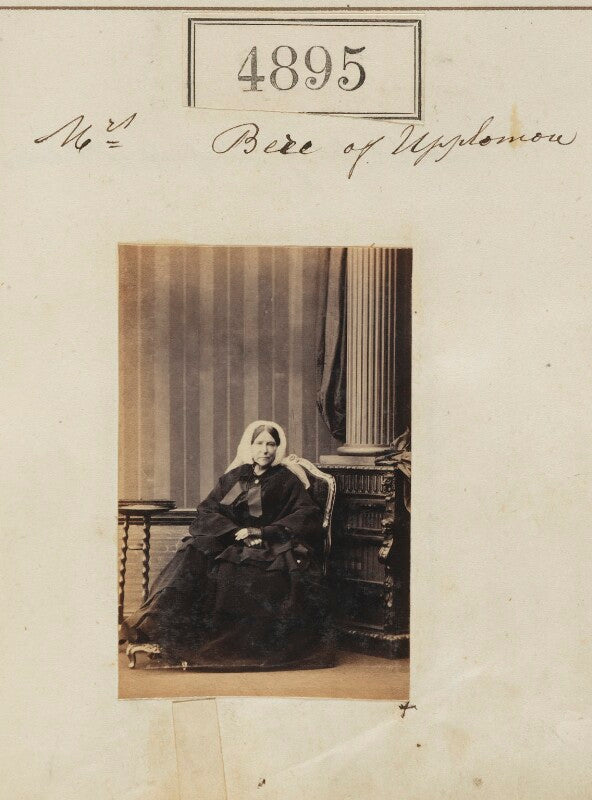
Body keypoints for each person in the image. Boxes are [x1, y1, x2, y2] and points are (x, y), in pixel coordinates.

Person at [121, 420, 336, 669]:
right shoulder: (236, 477)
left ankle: (215, 647)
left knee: (232, 571)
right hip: (233, 539)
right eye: (259, 443)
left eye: (271, 444)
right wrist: (234, 531)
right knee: (193, 552)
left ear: (278, 448)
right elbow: (208, 510)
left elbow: (306, 514)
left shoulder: (286, 480)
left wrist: (263, 532)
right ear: (249, 446)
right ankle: (156, 626)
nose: (265, 450)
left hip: (268, 545)